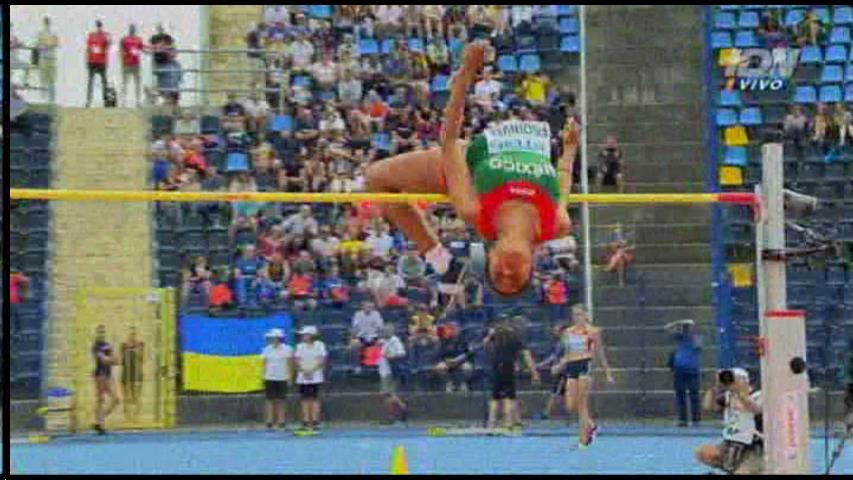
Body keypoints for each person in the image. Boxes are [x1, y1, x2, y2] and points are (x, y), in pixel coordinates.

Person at [366, 41, 576, 298]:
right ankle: (443, 263)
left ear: (490, 257)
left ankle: (439, 259)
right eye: (515, 279)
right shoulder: (557, 224)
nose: (507, 271)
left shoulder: (473, 210)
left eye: (498, 274)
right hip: (509, 145)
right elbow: (563, 178)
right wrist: (570, 148)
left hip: (468, 165)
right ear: (531, 268)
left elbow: (449, 140)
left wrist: (466, 73)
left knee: (376, 177)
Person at [552, 304, 614, 447]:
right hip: (571, 366)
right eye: (574, 315)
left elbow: (600, 353)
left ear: (586, 315)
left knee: (582, 403)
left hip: (584, 364)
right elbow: (567, 353)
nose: (577, 318)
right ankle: (590, 425)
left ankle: (583, 439)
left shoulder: (593, 331)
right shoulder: (568, 332)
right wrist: (559, 365)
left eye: (579, 314)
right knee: (570, 404)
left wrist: (607, 373)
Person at [695, 368, 764, 475]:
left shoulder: (758, 395)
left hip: (753, 444)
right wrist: (714, 388)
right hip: (731, 440)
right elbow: (708, 406)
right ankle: (734, 468)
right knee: (702, 452)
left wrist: (741, 393)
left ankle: (752, 469)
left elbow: (755, 409)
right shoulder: (729, 395)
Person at [484, 317, 540, 431]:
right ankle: (508, 423)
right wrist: (534, 372)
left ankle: (491, 423)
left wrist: (490, 336)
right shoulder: (515, 337)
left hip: (496, 366)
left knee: (495, 397)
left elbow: (485, 344)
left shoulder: (496, 335)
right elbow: (527, 355)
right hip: (508, 366)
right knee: (509, 396)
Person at [666, 319, 702, 427]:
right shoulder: (680, 337)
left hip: (692, 369)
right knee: (680, 395)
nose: (686, 329)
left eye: (688, 327)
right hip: (680, 369)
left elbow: (698, 346)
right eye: (685, 327)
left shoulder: (696, 338)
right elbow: (668, 328)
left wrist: (691, 328)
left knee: (694, 395)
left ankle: (696, 419)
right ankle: (683, 419)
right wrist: (677, 323)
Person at [294, 326, 327, 432]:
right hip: (303, 376)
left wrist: (312, 370)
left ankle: (315, 421)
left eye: (305, 335)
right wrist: (304, 371)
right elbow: (297, 360)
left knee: (314, 398)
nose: (303, 336)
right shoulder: (299, 346)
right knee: (304, 399)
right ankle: (306, 421)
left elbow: (322, 360)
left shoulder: (320, 345)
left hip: (315, 376)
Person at [261, 328, 294, 430]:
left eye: (274, 338)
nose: (273, 339)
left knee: (281, 400)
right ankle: (269, 421)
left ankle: (281, 421)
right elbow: (265, 364)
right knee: (269, 399)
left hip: (282, 377)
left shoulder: (287, 349)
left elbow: (289, 364)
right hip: (270, 377)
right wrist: (263, 376)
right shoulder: (266, 349)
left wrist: (290, 377)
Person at [378, 324, 409, 425]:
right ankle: (393, 416)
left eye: (386, 331)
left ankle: (401, 409)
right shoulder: (385, 341)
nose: (384, 333)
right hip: (384, 371)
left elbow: (401, 353)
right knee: (387, 395)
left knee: (388, 394)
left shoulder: (395, 341)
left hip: (389, 371)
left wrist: (391, 356)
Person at [92, 325, 120, 434]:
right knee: (100, 399)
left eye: (103, 332)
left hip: (107, 376)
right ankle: (100, 424)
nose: (101, 334)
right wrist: (110, 360)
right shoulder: (96, 346)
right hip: (100, 375)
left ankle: (100, 420)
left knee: (116, 400)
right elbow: (104, 360)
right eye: (100, 332)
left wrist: (110, 359)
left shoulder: (107, 345)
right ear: (97, 333)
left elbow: (116, 360)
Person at [119, 326, 145, 423]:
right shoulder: (123, 346)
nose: (132, 337)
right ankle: (127, 417)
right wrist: (127, 349)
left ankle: (136, 417)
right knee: (127, 396)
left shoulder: (140, 345)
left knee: (136, 396)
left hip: (137, 374)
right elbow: (121, 360)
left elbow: (142, 358)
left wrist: (137, 350)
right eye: (130, 335)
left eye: (134, 334)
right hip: (126, 374)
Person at [85, 20, 112, 108]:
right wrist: (87, 60)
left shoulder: (105, 35)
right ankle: (88, 101)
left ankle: (106, 101)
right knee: (90, 82)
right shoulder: (91, 35)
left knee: (104, 82)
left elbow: (109, 44)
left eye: (100, 26)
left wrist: (107, 39)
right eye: (97, 26)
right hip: (92, 61)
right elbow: (88, 48)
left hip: (101, 62)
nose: (99, 27)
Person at [120, 24, 145, 108]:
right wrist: (122, 61)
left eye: (133, 29)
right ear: (129, 30)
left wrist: (151, 51)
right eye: (131, 29)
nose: (132, 30)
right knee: (125, 83)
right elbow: (121, 51)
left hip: (136, 64)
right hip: (127, 64)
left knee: (137, 83)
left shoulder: (138, 39)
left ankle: (138, 101)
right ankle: (123, 102)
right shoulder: (124, 39)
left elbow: (142, 48)